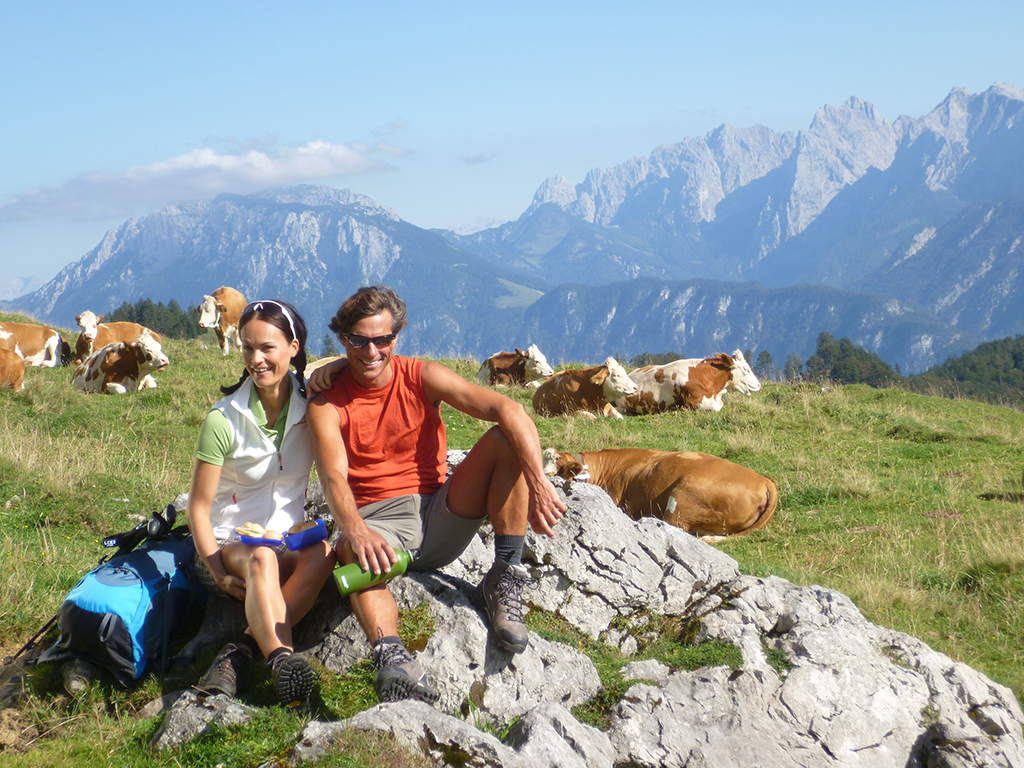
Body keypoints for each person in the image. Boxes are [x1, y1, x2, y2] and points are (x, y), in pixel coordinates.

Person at [306, 285, 566, 704]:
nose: (372, 351)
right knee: (349, 550)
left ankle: (503, 576)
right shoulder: (326, 404)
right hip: (380, 527)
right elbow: (334, 478)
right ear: (343, 339)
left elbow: (510, 410)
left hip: (441, 511)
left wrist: (537, 480)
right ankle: (392, 656)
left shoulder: (421, 375)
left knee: (506, 439)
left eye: (383, 340)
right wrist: (355, 531)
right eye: (358, 341)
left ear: (397, 337)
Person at [187, 300, 336, 707]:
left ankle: (241, 651)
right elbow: (197, 508)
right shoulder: (223, 418)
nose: (257, 359)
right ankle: (281, 660)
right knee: (261, 559)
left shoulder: (313, 408)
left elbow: (352, 364)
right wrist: (216, 569)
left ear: (293, 346)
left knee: (323, 554)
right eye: (248, 348)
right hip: (226, 548)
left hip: (284, 540)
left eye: (268, 348)